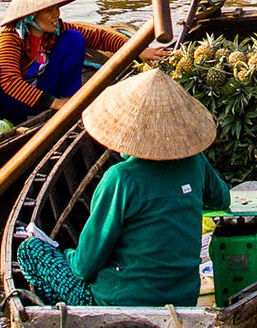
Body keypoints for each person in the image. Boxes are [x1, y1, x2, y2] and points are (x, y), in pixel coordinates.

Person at [15, 68, 225, 308]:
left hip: (119, 301)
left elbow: (84, 267)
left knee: (30, 250)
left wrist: (68, 255)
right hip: (183, 297)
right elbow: (222, 198)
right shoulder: (195, 161)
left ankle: (68, 316)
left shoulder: (120, 178)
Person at [0, 0, 167, 127]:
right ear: (31, 16)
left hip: (39, 96)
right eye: (49, 10)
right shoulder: (11, 38)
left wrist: (138, 50)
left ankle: (71, 103)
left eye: (57, 8)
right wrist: (55, 103)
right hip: (7, 103)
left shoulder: (55, 30)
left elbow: (99, 37)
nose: (56, 14)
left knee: (74, 38)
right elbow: (10, 81)